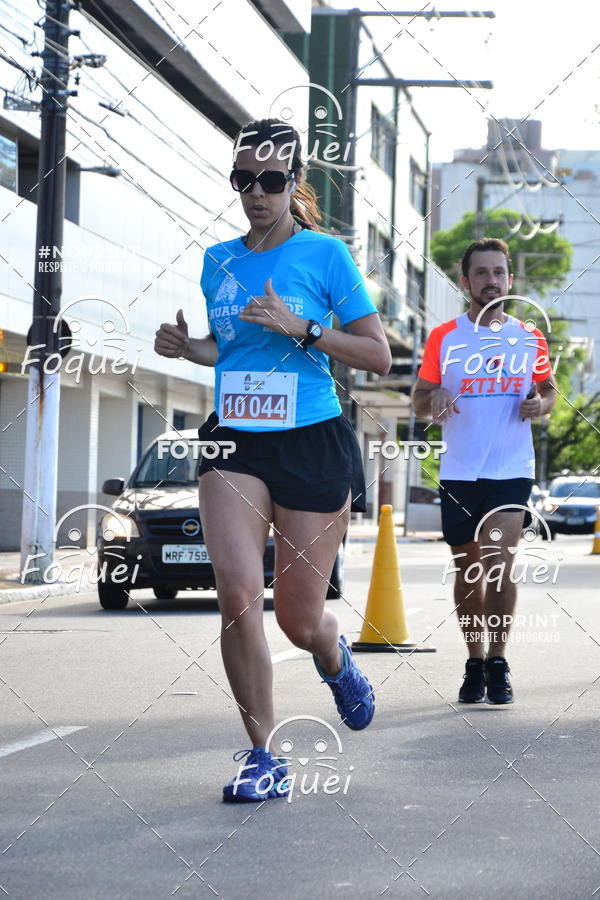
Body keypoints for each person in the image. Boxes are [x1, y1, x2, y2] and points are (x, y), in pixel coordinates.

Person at [154, 118, 391, 801]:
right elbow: (228, 350)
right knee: (235, 597)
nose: (256, 193)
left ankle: (333, 656)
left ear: (293, 185)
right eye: (243, 180)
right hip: (235, 438)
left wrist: (306, 328)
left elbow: (375, 355)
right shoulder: (218, 260)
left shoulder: (325, 256)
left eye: (271, 180)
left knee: (297, 617)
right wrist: (187, 347)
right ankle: (263, 756)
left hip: (312, 440)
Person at [412, 238, 557, 705]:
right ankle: (474, 660)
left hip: (511, 467)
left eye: (499, 272)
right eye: (482, 273)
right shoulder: (444, 338)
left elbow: (548, 390)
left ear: (510, 280)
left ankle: (498, 660)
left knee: (499, 566)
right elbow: (419, 398)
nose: (491, 280)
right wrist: (431, 401)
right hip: (458, 469)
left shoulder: (529, 336)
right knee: (469, 571)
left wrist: (541, 402)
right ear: (466, 281)